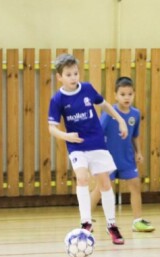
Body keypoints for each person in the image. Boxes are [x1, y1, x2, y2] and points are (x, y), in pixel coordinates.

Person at [48, 54, 126, 245]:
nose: (73, 77)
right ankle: (86, 222)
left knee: (105, 183)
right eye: (68, 74)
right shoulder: (57, 99)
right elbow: (52, 128)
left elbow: (104, 105)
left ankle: (111, 225)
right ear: (60, 77)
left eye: (75, 73)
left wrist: (121, 119)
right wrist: (66, 136)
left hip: (96, 143)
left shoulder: (88, 89)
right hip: (76, 145)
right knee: (82, 178)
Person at [90, 76, 155, 233]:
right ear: (115, 95)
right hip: (108, 159)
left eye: (129, 94)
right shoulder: (109, 113)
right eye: (123, 94)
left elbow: (135, 135)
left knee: (135, 185)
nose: (126, 97)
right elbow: (98, 132)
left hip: (126, 159)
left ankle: (137, 220)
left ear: (134, 94)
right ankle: (86, 219)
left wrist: (138, 152)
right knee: (101, 188)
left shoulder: (135, 114)